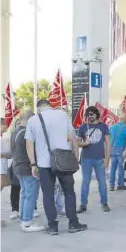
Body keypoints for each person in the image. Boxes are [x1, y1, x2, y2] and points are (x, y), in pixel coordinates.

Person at [25, 99, 86, 235]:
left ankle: (52, 226)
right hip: (63, 161)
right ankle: (73, 223)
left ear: (38, 108)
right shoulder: (62, 115)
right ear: (50, 105)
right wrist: (76, 156)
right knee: (69, 192)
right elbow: (72, 137)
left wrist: (33, 164)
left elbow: (29, 144)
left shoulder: (33, 120)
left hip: (43, 164)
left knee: (48, 195)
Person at [11, 111, 44, 232]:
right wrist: (34, 165)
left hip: (17, 167)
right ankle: (27, 223)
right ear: (30, 120)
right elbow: (31, 151)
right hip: (27, 167)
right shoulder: (26, 133)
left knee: (24, 194)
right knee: (30, 195)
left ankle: (24, 220)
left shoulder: (15, 132)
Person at [77, 106, 111, 213]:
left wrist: (107, 159)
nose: (89, 116)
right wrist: (84, 143)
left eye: (91, 114)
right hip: (86, 158)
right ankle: (83, 204)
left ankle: (104, 203)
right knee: (85, 182)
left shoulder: (103, 126)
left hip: (99, 159)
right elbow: (77, 142)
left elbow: (108, 144)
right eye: (88, 114)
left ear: (97, 114)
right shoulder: (83, 127)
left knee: (102, 182)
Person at [109, 112, 126, 191]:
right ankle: (120, 184)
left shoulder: (112, 127)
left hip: (112, 149)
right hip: (121, 149)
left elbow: (109, 139)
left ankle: (111, 185)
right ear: (125, 119)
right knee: (121, 167)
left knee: (112, 167)